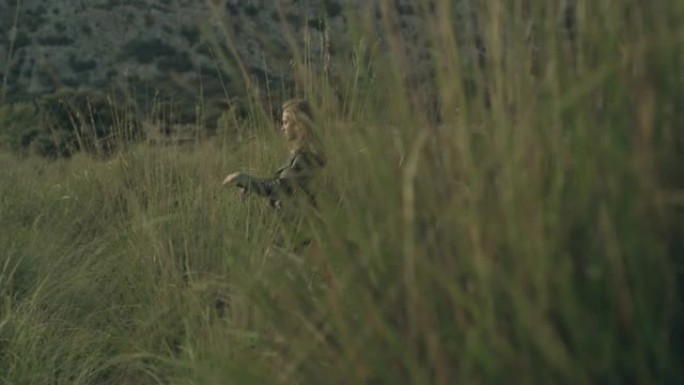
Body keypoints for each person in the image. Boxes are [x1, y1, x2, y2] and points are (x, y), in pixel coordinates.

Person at [222, 99, 326, 211]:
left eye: (286, 122)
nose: (282, 128)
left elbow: (278, 189)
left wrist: (240, 178)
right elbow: (280, 183)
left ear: (299, 124)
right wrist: (251, 186)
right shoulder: (303, 154)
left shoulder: (306, 157)